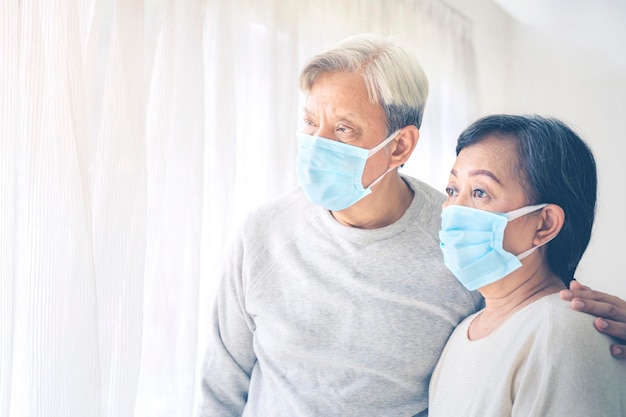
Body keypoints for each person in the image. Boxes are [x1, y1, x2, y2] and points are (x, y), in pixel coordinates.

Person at [198, 34, 626, 417]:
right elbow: (221, 389)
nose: (316, 145)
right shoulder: (262, 234)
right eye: (311, 123)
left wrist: (596, 332)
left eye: (343, 128)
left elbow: (532, 317)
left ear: (399, 144)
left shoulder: (457, 244)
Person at [428, 114, 626, 416]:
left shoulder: (562, 332)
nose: (454, 210)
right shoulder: (464, 332)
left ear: (544, 224)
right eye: (452, 190)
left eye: (480, 192)